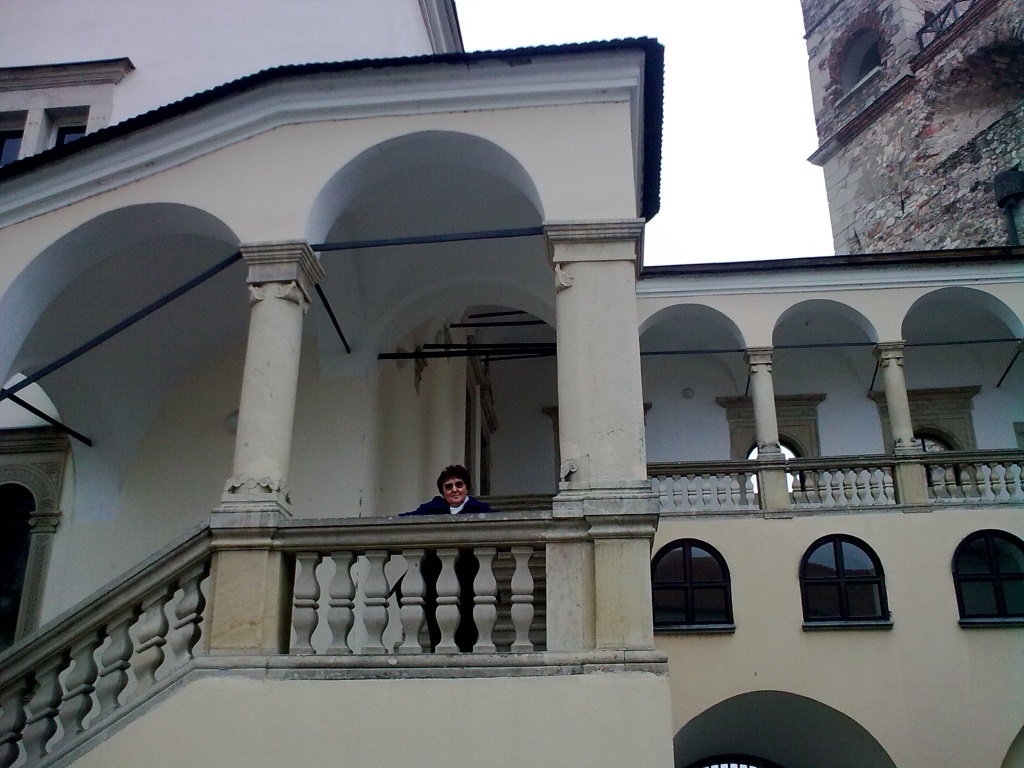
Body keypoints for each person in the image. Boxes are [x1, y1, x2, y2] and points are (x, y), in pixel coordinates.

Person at [399, 465, 496, 651]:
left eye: (459, 484)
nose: (454, 490)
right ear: (443, 492)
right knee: (436, 619)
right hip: (435, 576)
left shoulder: (479, 508)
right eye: (448, 486)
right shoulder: (432, 508)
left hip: (469, 576)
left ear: (467, 487)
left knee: (468, 620)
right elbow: (405, 520)